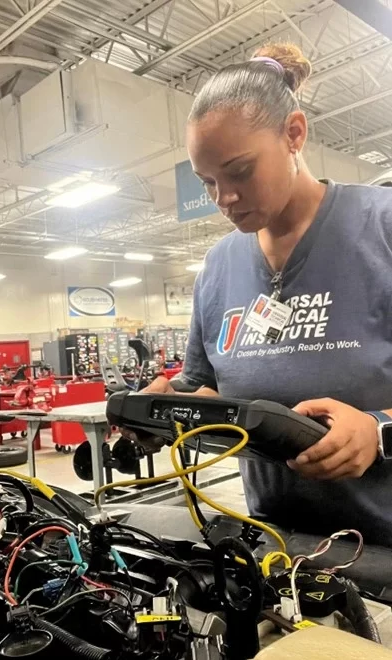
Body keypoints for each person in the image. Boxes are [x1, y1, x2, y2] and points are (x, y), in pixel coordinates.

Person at [141, 43, 392, 547]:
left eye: (239, 171)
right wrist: (165, 408)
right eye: (207, 181)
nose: (223, 199)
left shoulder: (382, 227)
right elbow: (206, 385)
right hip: (274, 546)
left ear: (294, 134)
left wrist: (379, 429)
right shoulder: (218, 266)